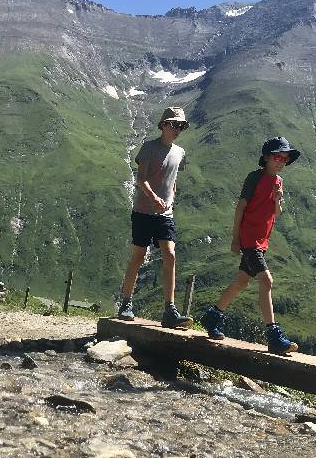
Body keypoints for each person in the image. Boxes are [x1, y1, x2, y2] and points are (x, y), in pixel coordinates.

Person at [200, 137, 301, 354]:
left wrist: (277, 199)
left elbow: (277, 213)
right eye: (277, 157)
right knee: (266, 281)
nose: (281, 161)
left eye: (285, 158)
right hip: (249, 239)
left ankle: (212, 316)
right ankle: (273, 336)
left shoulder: (279, 182)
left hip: (261, 241)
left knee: (242, 282)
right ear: (266, 158)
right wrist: (235, 238)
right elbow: (240, 208)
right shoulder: (254, 178)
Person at [117, 107, 193, 329]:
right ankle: (126, 303)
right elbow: (141, 179)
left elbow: (173, 178)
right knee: (139, 255)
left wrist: (170, 198)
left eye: (181, 126)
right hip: (143, 210)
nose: (178, 129)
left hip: (164, 213)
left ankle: (170, 310)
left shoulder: (180, 152)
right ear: (164, 125)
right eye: (174, 124)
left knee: (170, 254)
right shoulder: (149, 148)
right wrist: (154, 198)